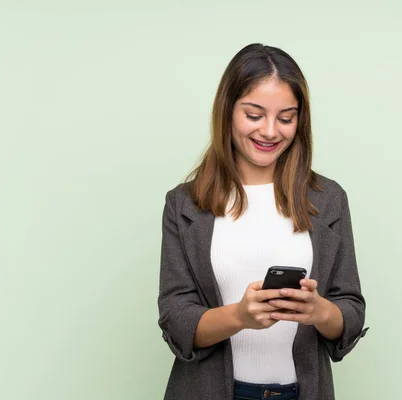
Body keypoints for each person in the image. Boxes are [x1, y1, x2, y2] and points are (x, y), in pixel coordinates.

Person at [157, 43, 368, 400]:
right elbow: (177, 319)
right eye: (254, 115)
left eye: (286, 118)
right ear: (227, 112)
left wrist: (319, 311)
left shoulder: (328, 200)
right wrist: (239, 316)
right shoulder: (184, 204)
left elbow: (350, 309)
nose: (270, 131)